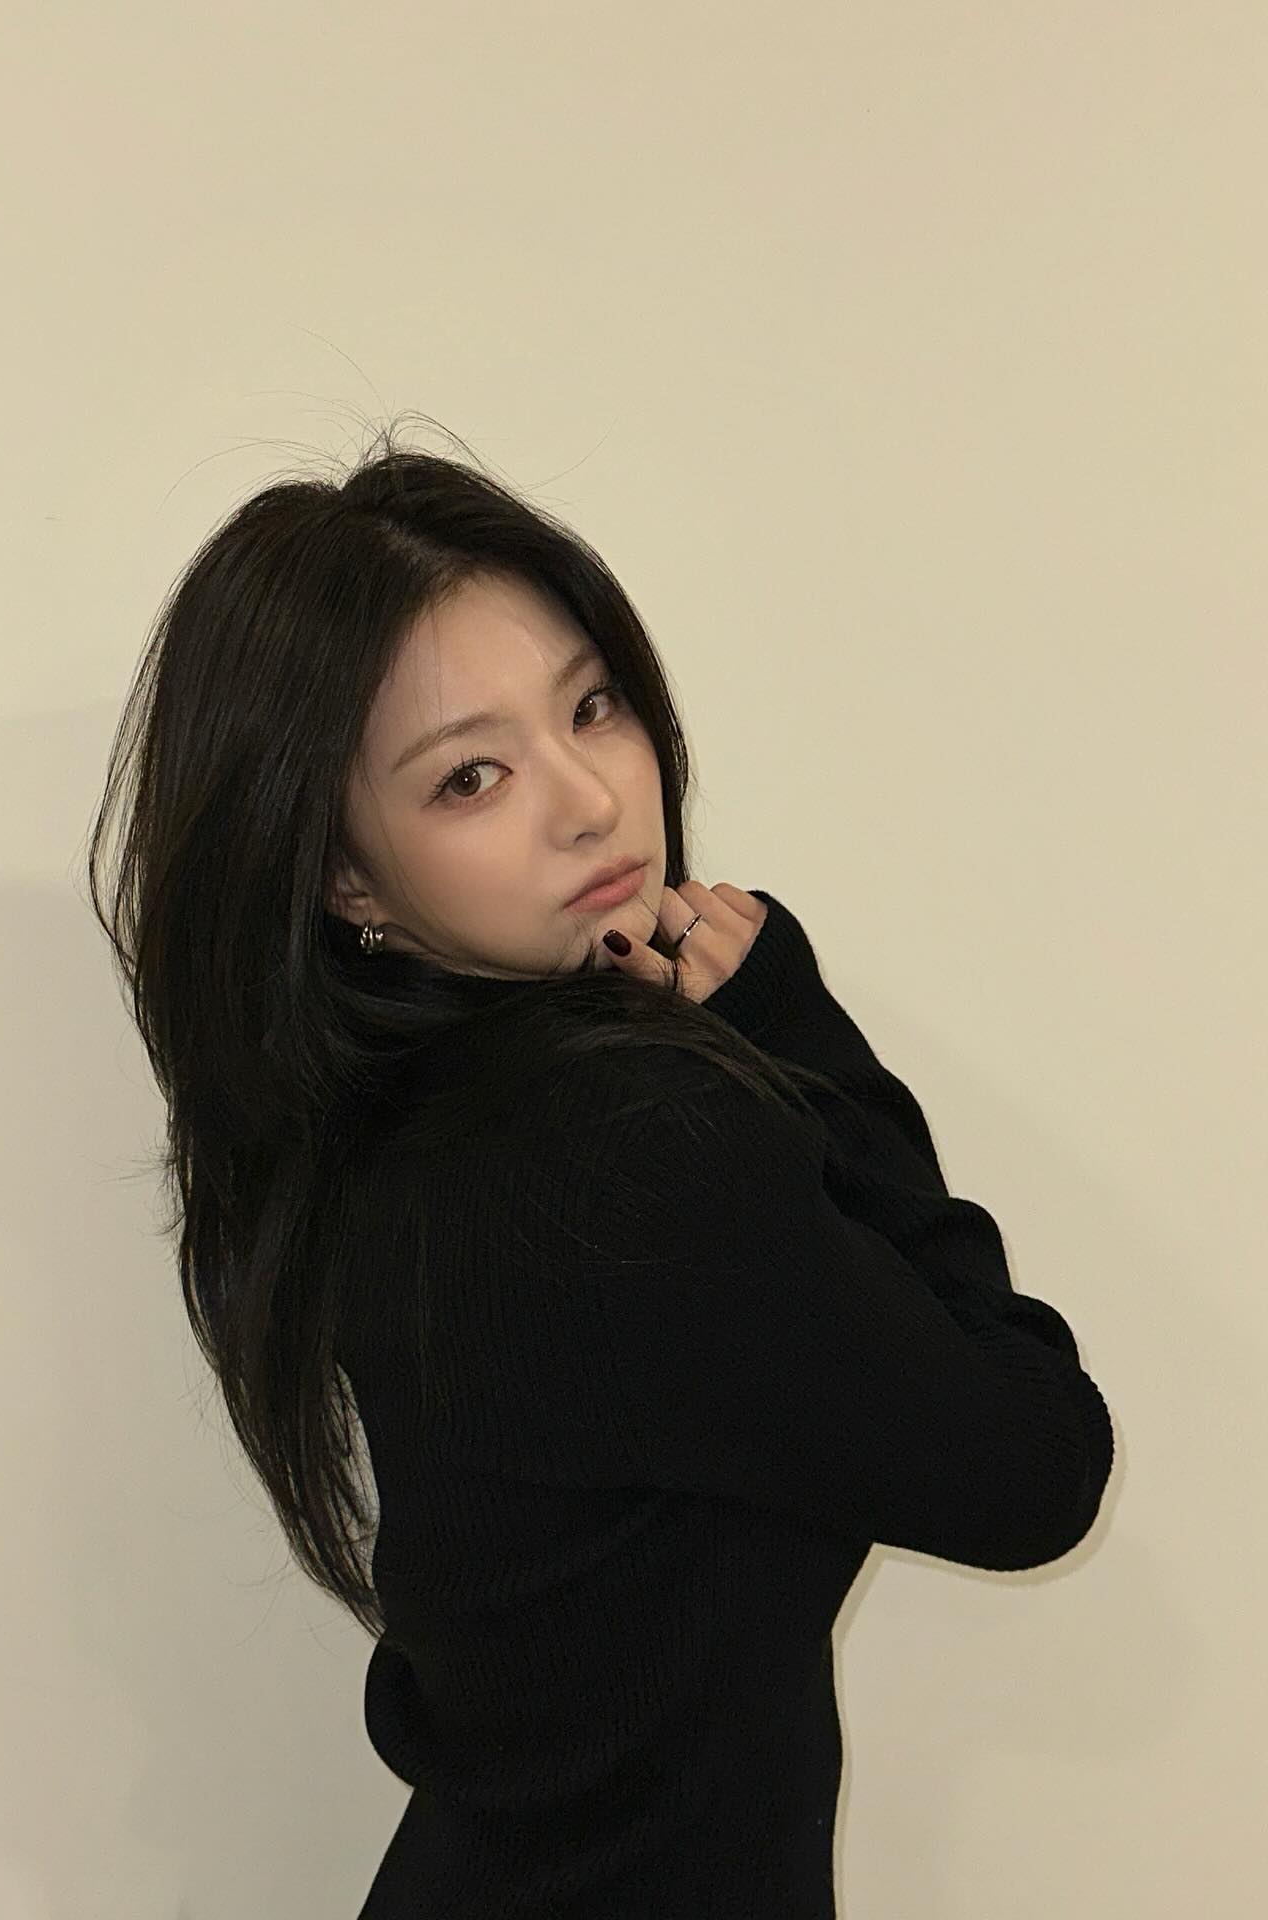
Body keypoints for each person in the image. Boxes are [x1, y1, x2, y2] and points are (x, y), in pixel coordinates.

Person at [86, 428, 1115, 1918]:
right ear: (347, 875)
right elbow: (1033, 1466)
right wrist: (797, 1033)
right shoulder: (624, 1147)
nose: (588, 800)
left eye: (592, 706)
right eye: (472, 777)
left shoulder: (384, 1126)